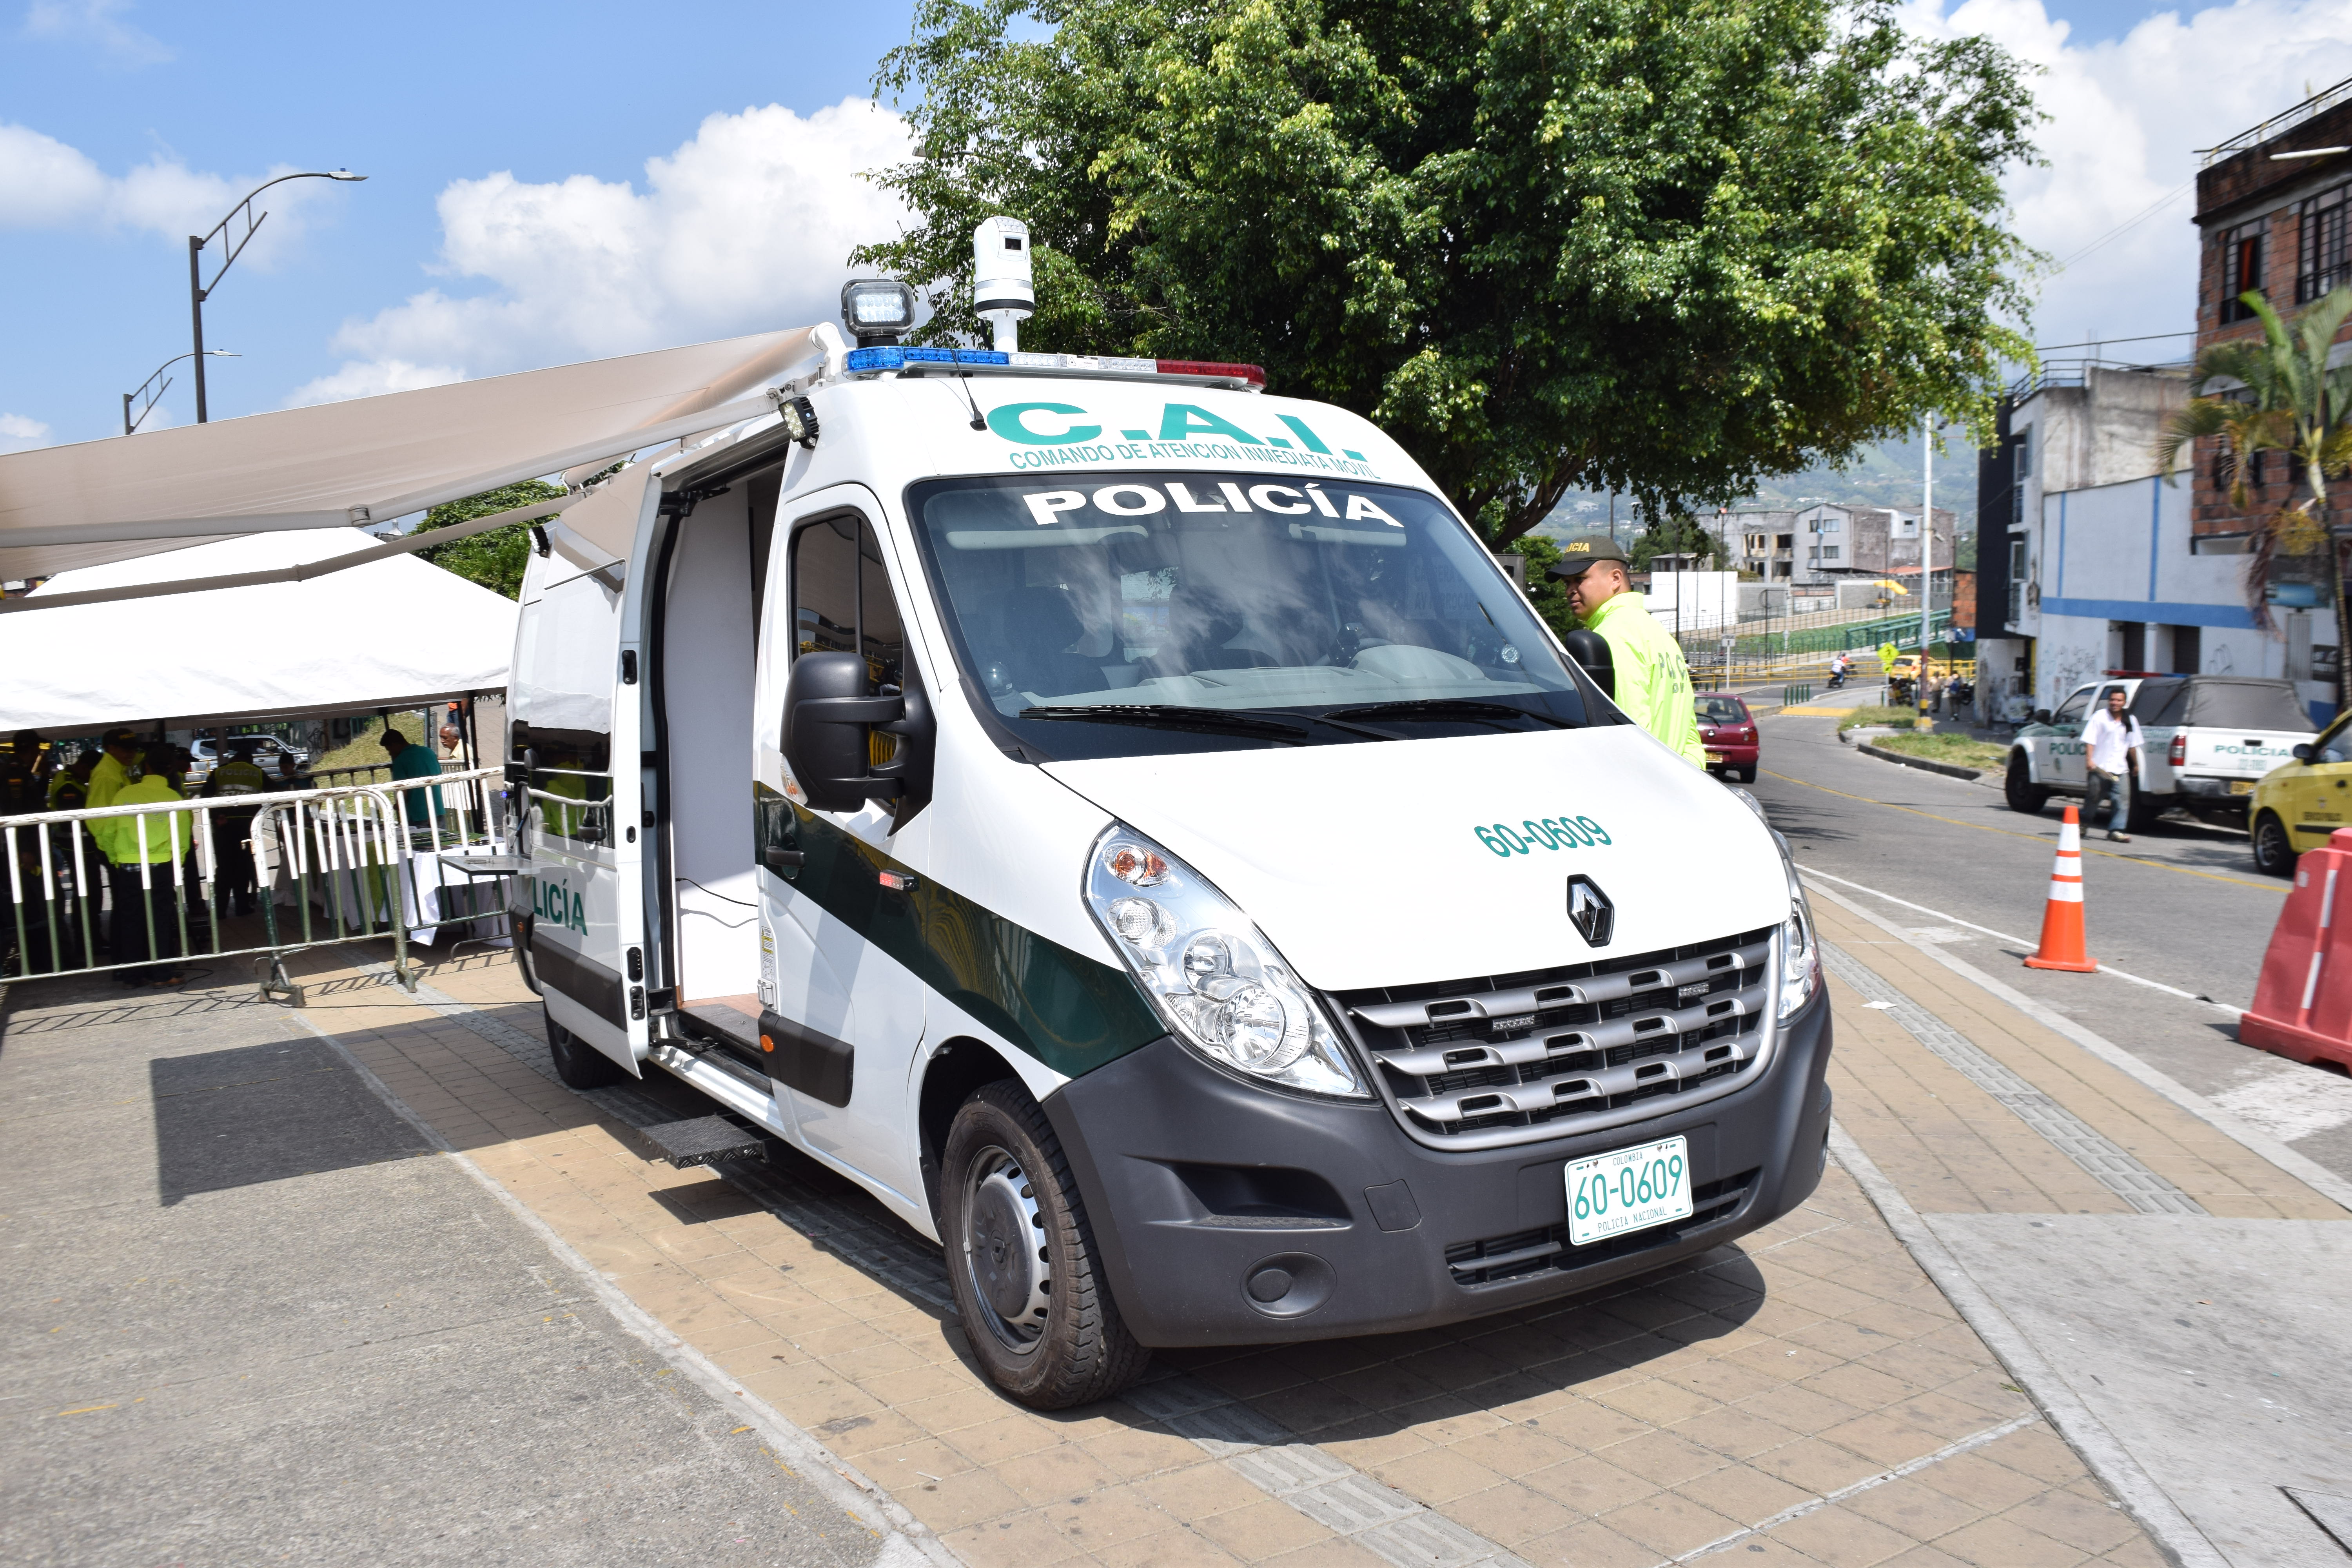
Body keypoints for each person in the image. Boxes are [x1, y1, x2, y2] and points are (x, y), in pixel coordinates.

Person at [1547, 535, 1706, 766]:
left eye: (1580, 579)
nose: (1570, 590)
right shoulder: (1660, 634)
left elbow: (1628, 731)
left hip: (1639, 779)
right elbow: (1689, 734)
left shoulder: (1612, 636)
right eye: (1566, 583)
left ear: (1615, 579)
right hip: (1672, 778)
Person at [98, 744, 191, 985]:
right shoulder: (174, 798)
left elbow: (107, 833)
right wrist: (177, 865)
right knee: (160, 919)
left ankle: (132, 975)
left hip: (129, 865)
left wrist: (116, 859)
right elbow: (182, 839)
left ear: (146, 766)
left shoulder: (124, 794)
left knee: (131, 920)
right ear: (170, 769)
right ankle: (161, 974)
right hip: (160, 866)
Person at [201, 737, 272, 916]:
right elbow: (275, 791)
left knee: (224, 867)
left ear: (233, 760)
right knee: (243, 865)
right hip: (247, 826)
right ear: (250, 762)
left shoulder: (219, 771)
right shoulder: (256, 772)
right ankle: (242, 906)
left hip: (223, 825)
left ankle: (220, 910)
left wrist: (216, 816)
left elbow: (205, 796)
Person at [2081, 687, 2144, 843]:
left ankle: (2116, 831)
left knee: (2122, 800)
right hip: (2099, 768)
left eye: (2119, 700)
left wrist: (2136, 765)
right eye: (2112, 700)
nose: (2115, 703)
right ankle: (2083, 824)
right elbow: (2090, 740)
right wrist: (2089, 760)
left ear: (2125, 702)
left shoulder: (2130, 720)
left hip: (2120, 769)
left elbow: (2132, 745)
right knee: (2093, 798)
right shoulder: (2100, 717)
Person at [379, 726, 443, 828]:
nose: (390, 754)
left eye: (389, 749)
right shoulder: (429, 752)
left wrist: (398, 806)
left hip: (418, 814)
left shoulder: (400, 761)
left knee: (420, 838)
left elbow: (403, 790)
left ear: (394, 745)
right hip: (438, 809)